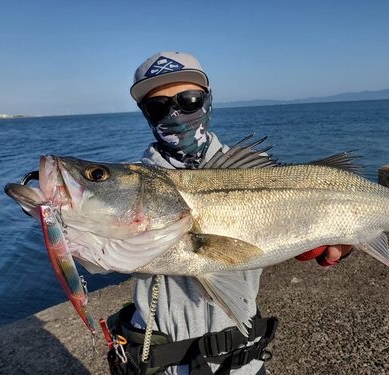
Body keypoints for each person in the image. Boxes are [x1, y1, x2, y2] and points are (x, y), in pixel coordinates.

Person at [122, 52, 352, 375]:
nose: (175, 113)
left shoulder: (253, 172)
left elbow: (299, 221)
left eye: (189, 100)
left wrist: (332, 237)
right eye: (158, 106)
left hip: (243, 364)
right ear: (145, 114)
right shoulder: (130, 186)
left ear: (208, 101)